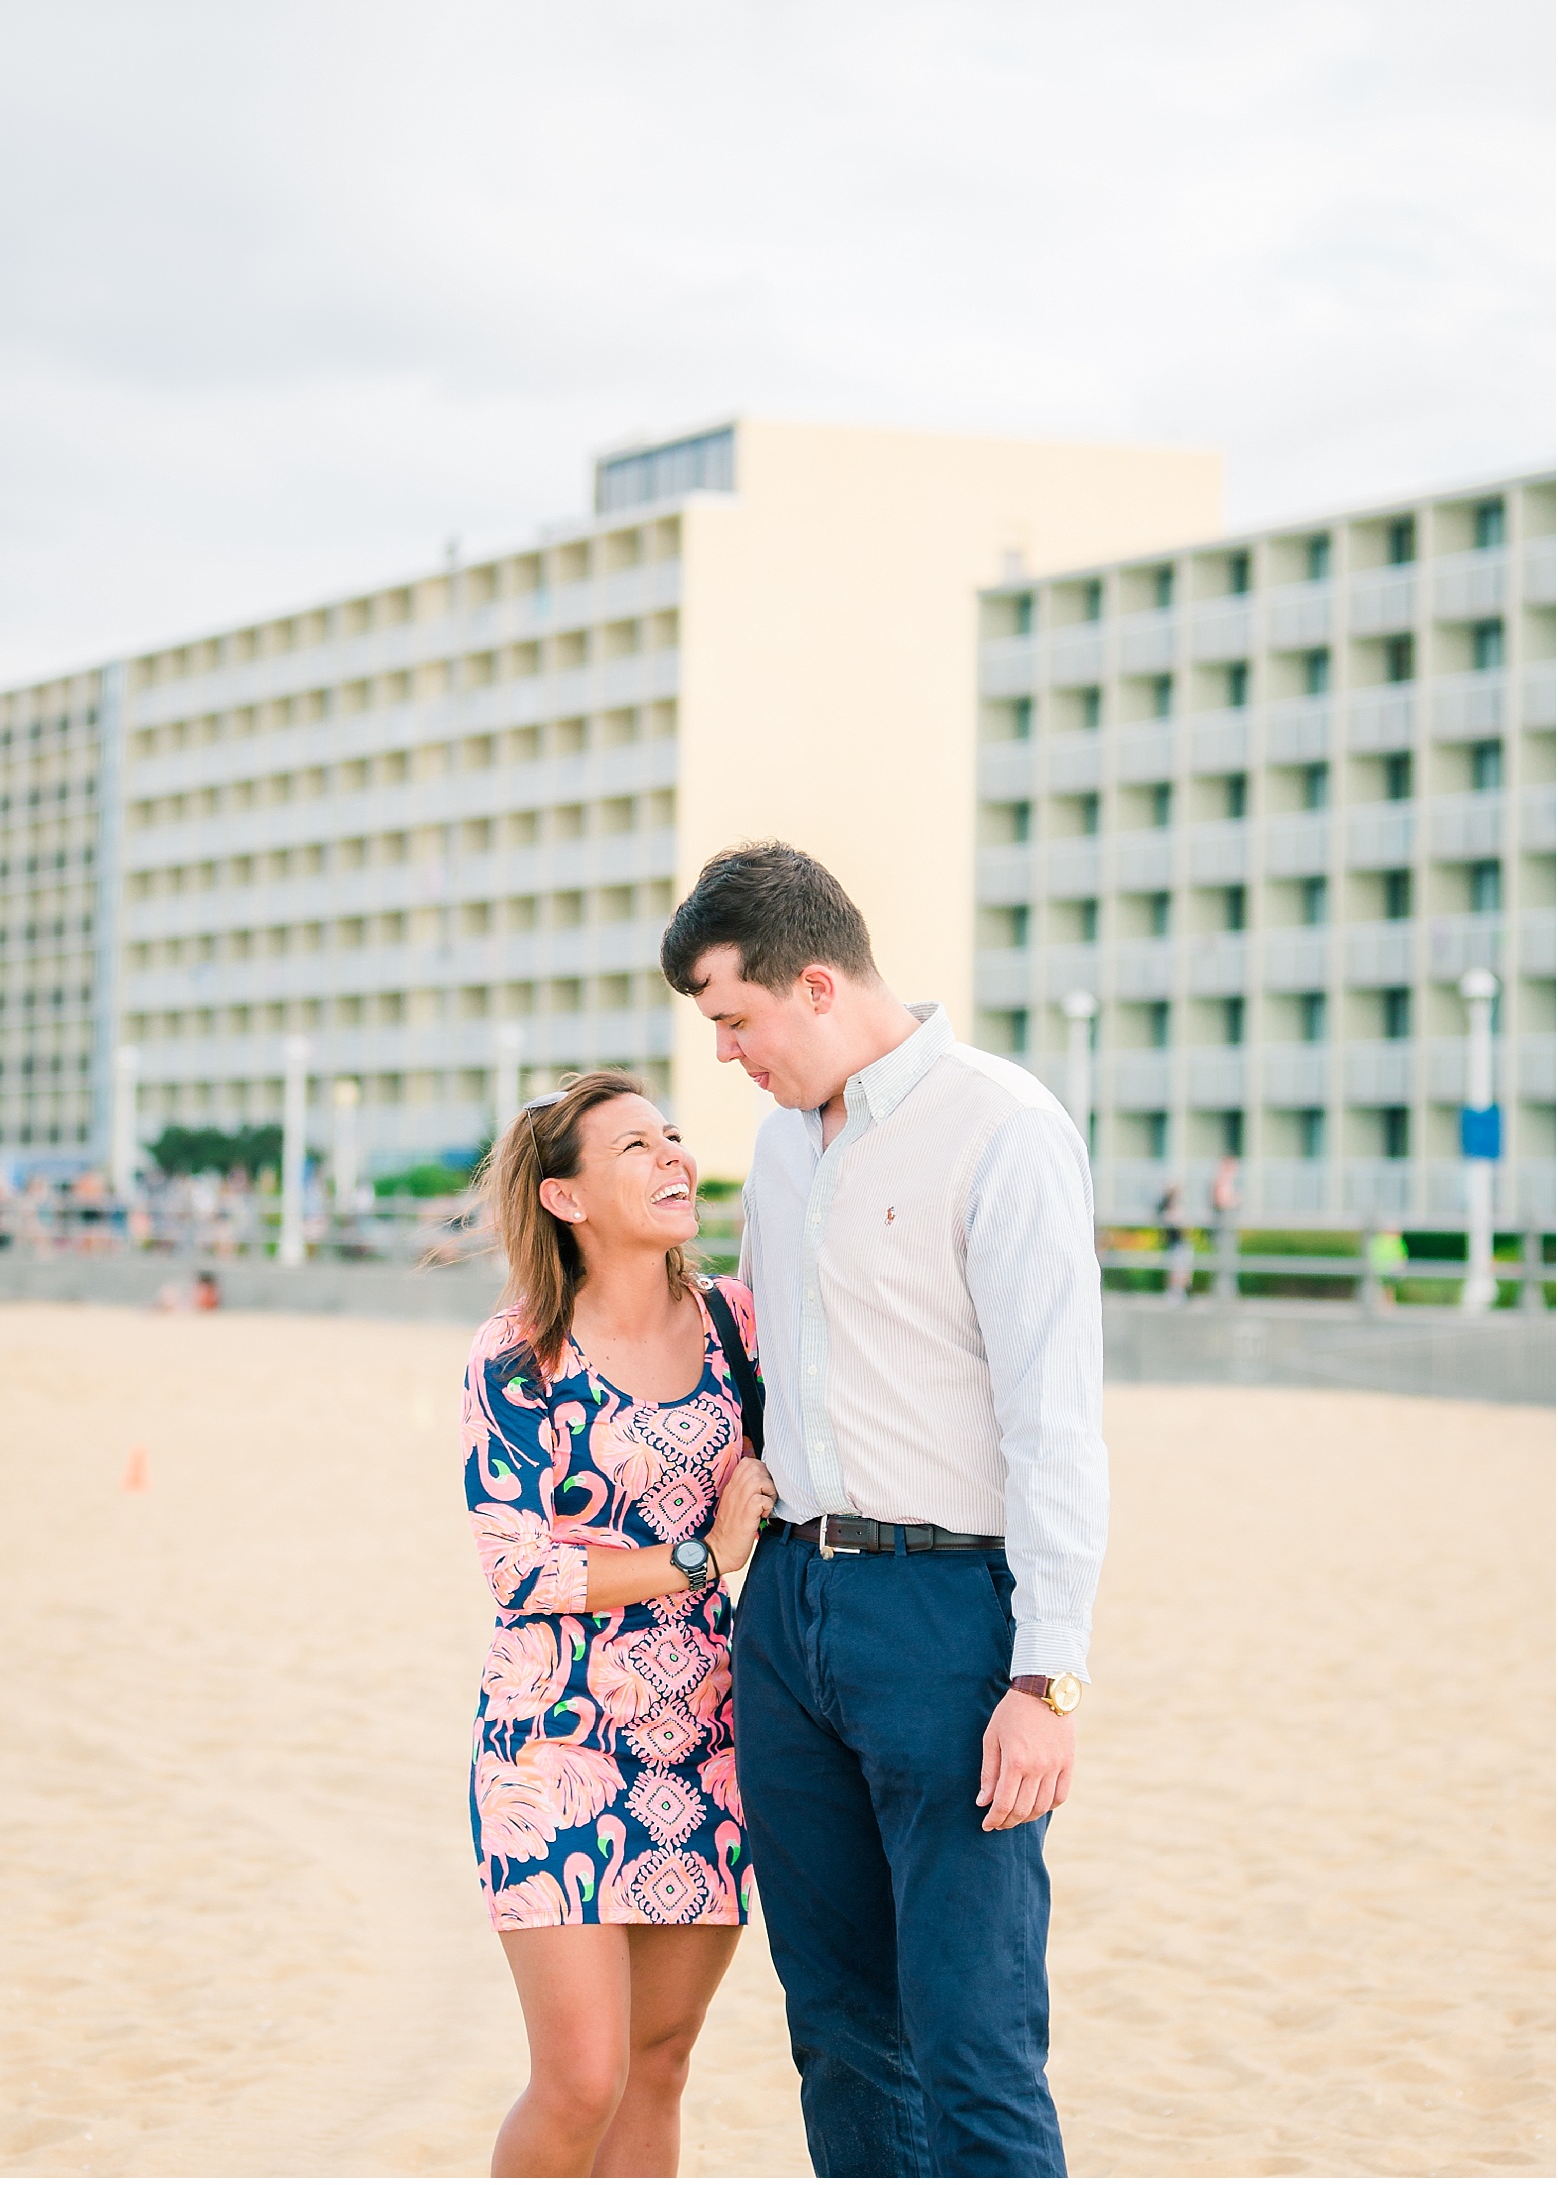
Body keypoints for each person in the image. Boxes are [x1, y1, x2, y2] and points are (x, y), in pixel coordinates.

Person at [660, 844, 1108, 2181]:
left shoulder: (1002, 1127)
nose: (729, 1056)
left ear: (814, 982)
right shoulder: (783, 1151)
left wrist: (1049, 1676)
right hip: (789, 1613)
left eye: (736, 1021)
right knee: (841, 2028)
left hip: (950, 1621)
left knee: (975, 2037)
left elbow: (1057, 1424)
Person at [463, 1069, 777, 2179]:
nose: (673, 1157)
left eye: (674, 1135)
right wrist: (700, 1554)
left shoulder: (739, 1319)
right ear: (565, 1197)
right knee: (581, 2076)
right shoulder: (518, 1353)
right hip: (553, 1739)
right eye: (635, 1145)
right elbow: (517, 1567)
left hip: (710, 1737)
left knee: (659, 2060)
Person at [1157, 1183, 1193, 1304]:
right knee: (1176, 1269)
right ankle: (1175, 1294)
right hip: (1175, 1243)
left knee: (1182, 1269)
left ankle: (1181, 1293)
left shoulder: (1175, 1207)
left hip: (1179, 1243)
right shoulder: (1166, 1208)